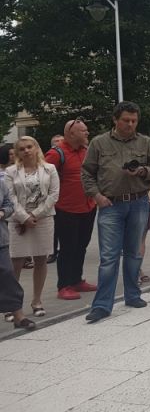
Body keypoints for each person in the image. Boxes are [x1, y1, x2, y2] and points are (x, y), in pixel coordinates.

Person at [81, 101, 150, 323]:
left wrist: (143, 171)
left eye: (134, 121)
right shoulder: (99, 143)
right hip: (110, 205)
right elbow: (87, 173)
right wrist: (96, 196)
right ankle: (101, 305)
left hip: (138, 202)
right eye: (126, 120)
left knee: (134, 253)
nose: (130, 124)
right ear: (115, 120)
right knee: (109, 257)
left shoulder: (145, 142)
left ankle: (133, 294)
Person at [4, 136, 60, 319]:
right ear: (17, 153)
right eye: (22, 149)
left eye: (29, 147)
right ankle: (13, 305)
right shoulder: (11, 171)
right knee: (16, 263)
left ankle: (37, 301)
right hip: (18, 220)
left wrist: (35, 215)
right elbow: (9, 198)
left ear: (36, 148)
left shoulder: (49, 169)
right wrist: (24, 217)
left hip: (42, 219)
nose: (26, 151)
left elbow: (54, 195)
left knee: (40, 260)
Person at [44, 118, 97, 301]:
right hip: (66, 210)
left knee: (81, 246)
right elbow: (44, 180)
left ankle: (76, 280)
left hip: (88, 207)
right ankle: (64, 285)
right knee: (68, 248)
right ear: (71, 134)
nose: (87, 133)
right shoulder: (56, 154)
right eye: (84, 131)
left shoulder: (87, 151)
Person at [0, 177, 35, 330]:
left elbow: (8, 204)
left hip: (0, 240)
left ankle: (18, 315)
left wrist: (2, 212)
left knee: (8, 274)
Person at [46, 134, 64, 264]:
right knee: (54, 228)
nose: (59, 143)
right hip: (54, 198)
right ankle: (52, 252)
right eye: (57, 141)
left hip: (66, 197)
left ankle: (62, 250)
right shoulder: (52, 155)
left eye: (61, 141)